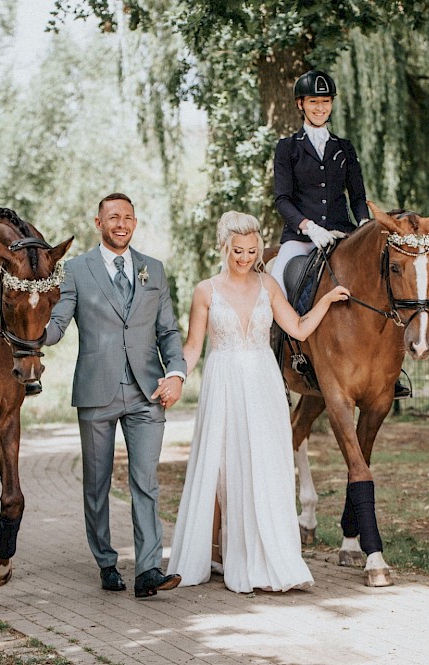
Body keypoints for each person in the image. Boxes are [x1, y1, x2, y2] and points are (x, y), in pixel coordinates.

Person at [166, 211, 349, 593]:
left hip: (264, 382)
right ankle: (218, 553)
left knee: (266, 464)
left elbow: (296, 327)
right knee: (221, 465)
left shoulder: (268, 286)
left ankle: (268, 558)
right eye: (237, 250)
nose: (245, 257)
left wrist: (328, 300)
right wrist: (175, 375)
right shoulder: (206, 291)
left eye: (251, 250)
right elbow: (193, 348)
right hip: (225, 382)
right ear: (223, 247)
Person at [44, 193, 187, 599]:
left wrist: (175, 373)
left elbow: (168, 332)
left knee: (146, 482)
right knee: (97, 483)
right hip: (96, 392)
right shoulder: (75, 271)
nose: (120, 223)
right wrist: (30, 332)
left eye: (127, 217)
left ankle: (147, 571)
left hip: (147, 391)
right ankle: (106, 561)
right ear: (98, 222)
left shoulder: (153, 270)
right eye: (112, 217)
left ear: (135, 223)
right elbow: (57, 325)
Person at [271, 69, 410, 399]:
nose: (320, 108)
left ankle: (391, 370)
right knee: (275, 285)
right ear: (301, 105)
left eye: (326, 102)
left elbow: (357, 196)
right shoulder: (288, 147)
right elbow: (282, 199)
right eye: (314, 102)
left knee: (382, 286)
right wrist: (308, 227)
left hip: (342, 234)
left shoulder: (343, 148)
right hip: (302, 237)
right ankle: (277, 364)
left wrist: (363, 224)